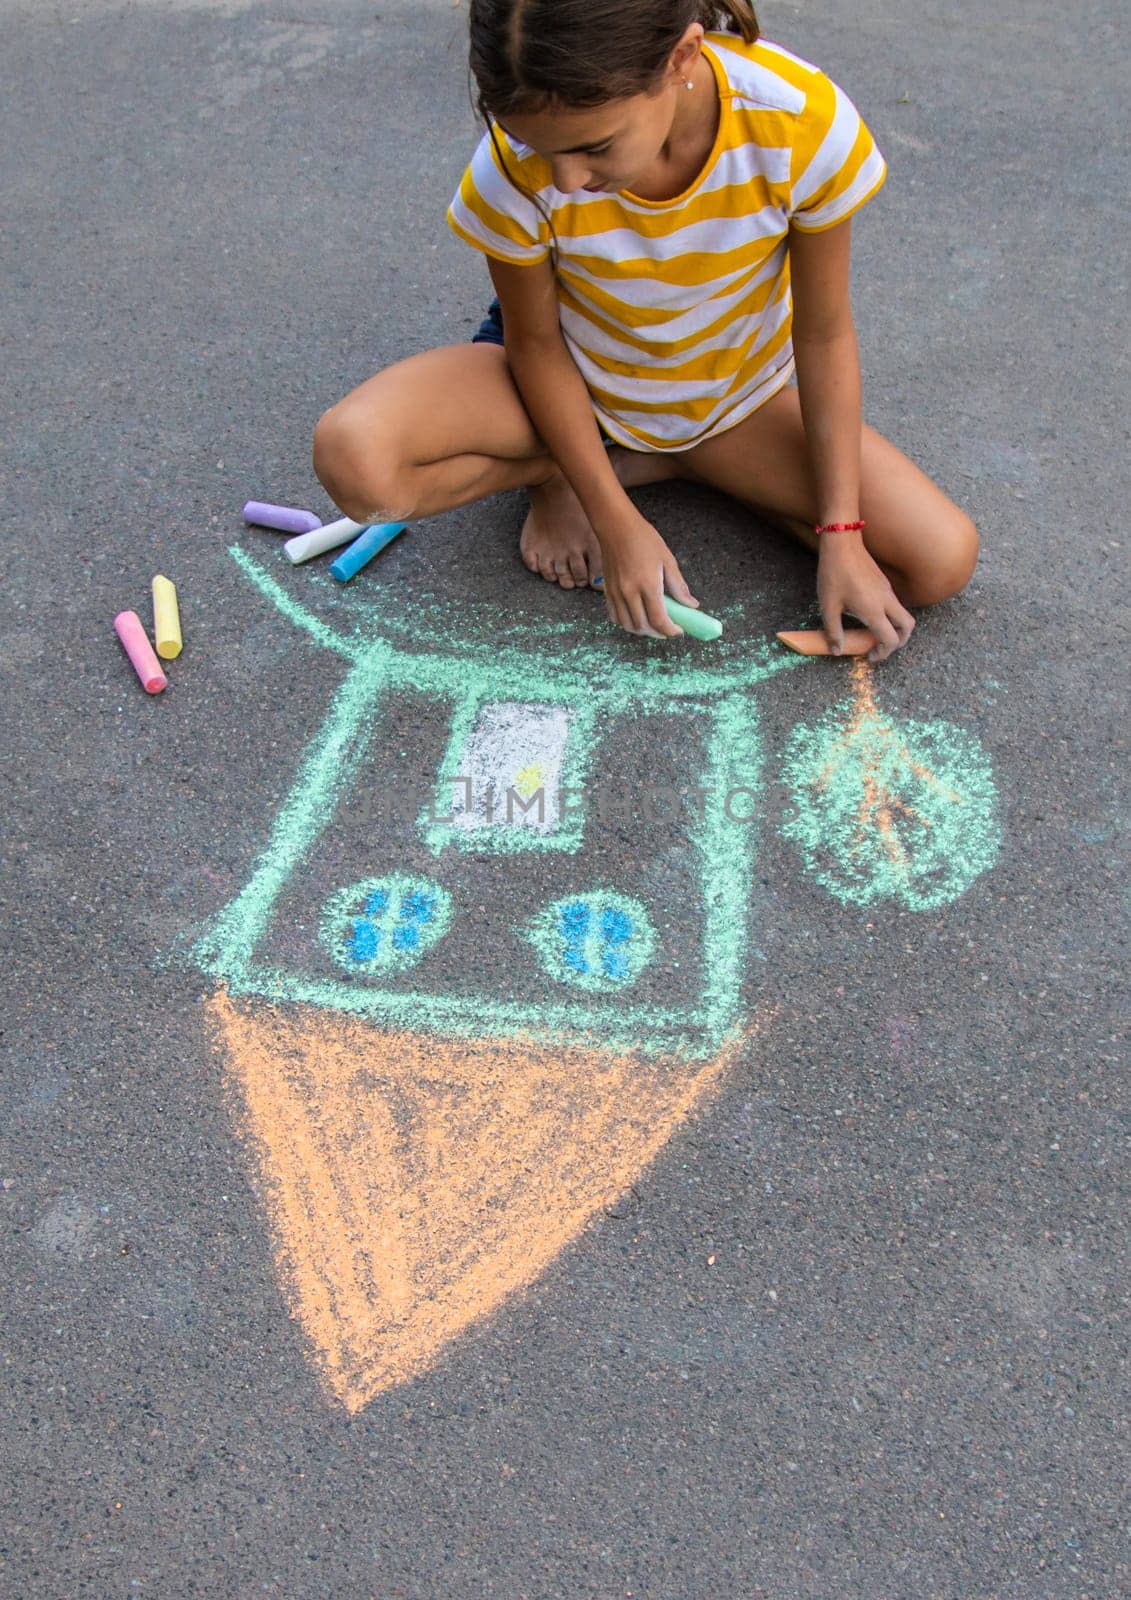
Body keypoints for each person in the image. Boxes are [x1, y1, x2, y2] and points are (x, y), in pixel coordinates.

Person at [313, 0, 978, 660]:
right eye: (543, 153)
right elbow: (537, 345)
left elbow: (824, 333)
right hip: (573, 382)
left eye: (593, 147)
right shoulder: (515, 165)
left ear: (680, 58)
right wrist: (614, 519)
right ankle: (573, 471)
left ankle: (658, 458)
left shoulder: (798, 123)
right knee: (357, 461)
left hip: (733, 398)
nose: (567, 181)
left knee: (938, 561)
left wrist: (842, 533)